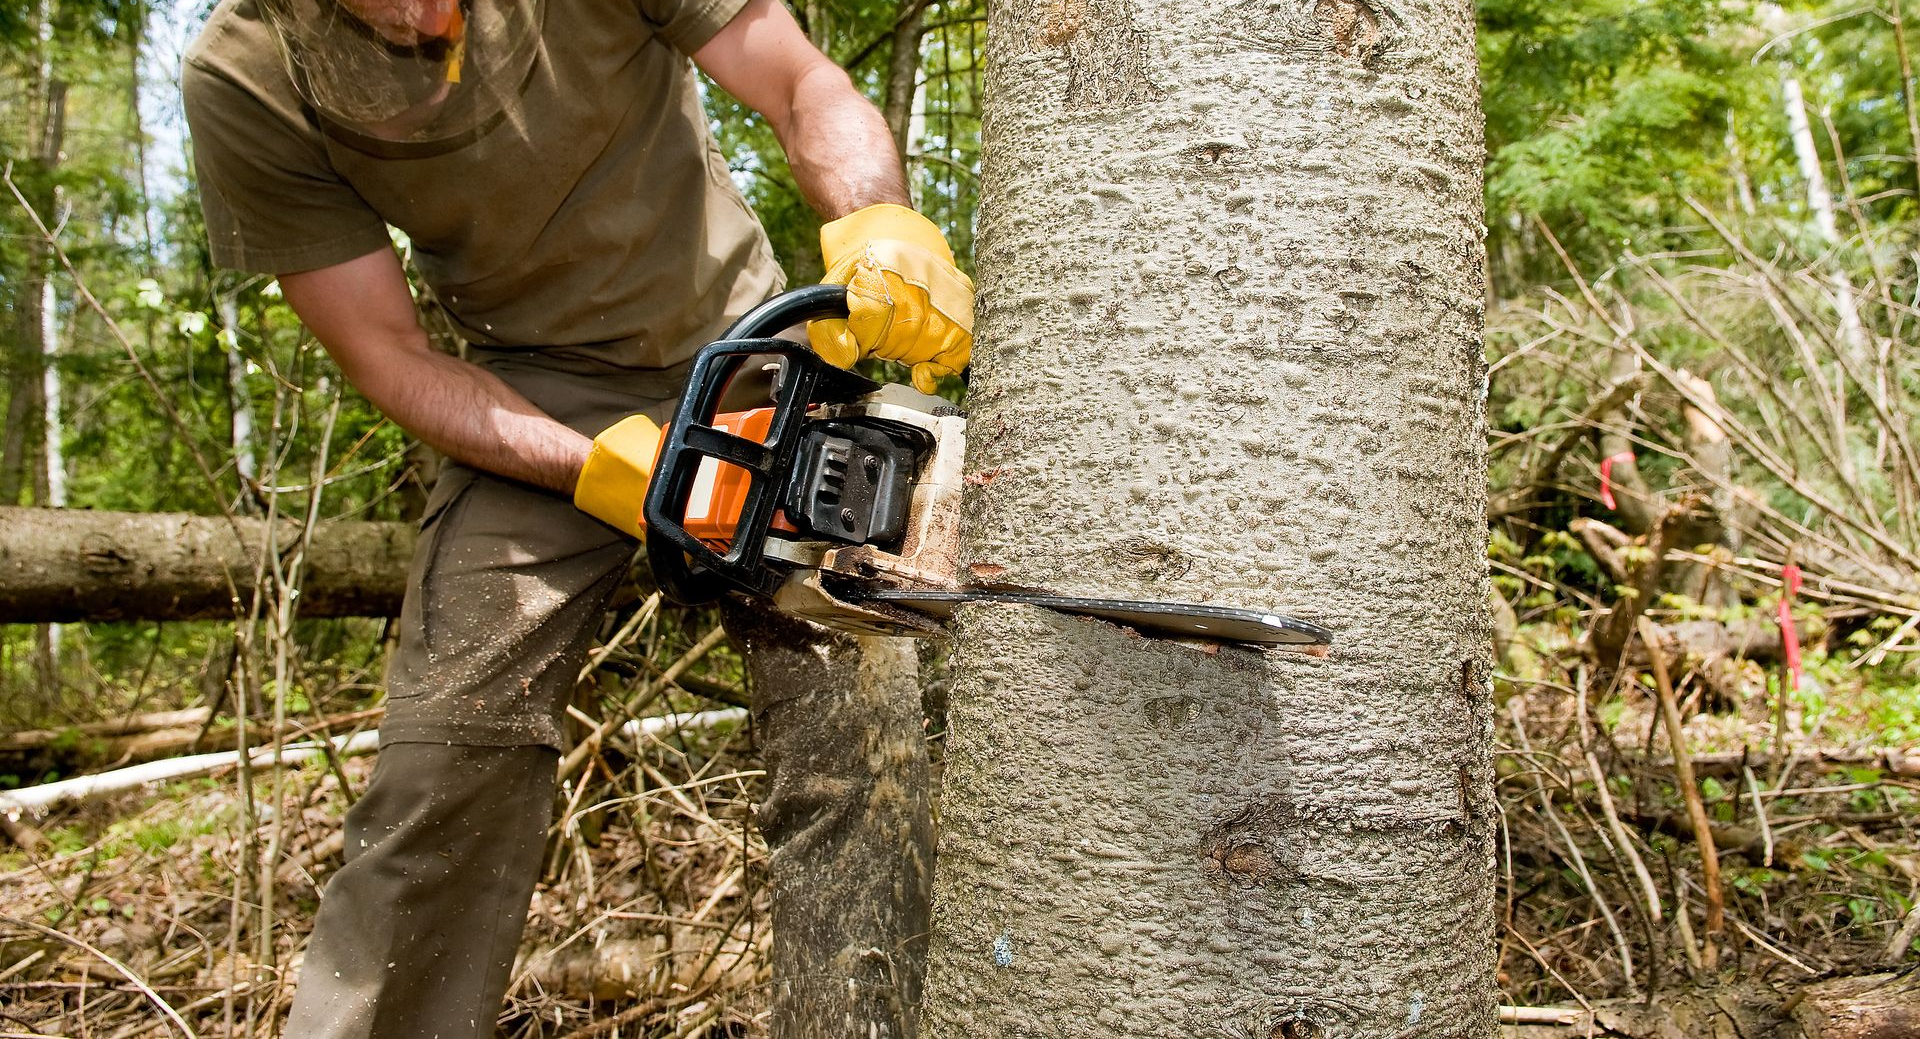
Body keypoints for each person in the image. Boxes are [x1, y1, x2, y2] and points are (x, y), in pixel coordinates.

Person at [180, 0, 970, 1034]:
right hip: (520, 400)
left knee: (857, 749)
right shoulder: (247, 77)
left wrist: (882, 222)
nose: (423, 16)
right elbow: (388, 356)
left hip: (744, 358)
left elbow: (798, 83)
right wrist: (593, 467)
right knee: (446, 762)